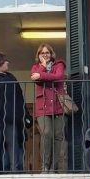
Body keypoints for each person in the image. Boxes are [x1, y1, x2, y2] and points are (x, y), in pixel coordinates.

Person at [30, 43, 67, 172]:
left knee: (58, 136)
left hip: (58, 106)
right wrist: (43, 67)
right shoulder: (35, 67)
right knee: (46, 133)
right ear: (38, 55)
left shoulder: (59, 65)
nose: (45, 55)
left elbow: (58, 77)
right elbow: (36, 80)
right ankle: (45, 166)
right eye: (42, 53)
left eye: (47, 52)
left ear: (51, 54)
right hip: (43, 107)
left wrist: (41, 75)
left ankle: (55, 168)